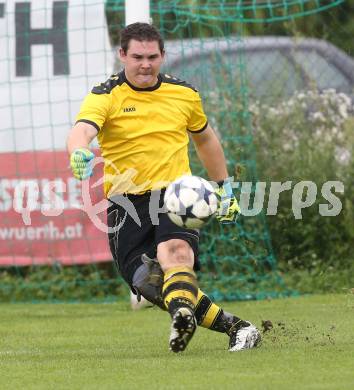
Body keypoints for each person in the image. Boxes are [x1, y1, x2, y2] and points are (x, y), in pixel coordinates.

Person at [67, 22, 261, 353]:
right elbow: (82, 131)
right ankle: (237, 327)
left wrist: (224, 188)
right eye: (138, 57)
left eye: (152, 57)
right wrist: (78, 152)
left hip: (177, 196)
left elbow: (205, 139)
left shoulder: (184, 93)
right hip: (126, 203)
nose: (145, 64)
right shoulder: (105, 95)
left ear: (163, 56)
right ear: (123, 55)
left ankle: (185, 316)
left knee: (176, 255)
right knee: (148, 282)